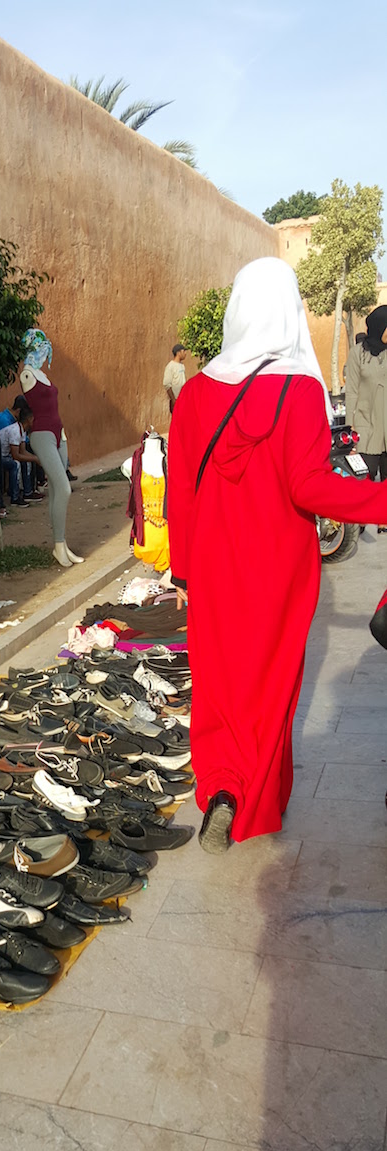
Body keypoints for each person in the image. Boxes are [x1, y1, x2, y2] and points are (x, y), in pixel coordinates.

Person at [167, 258, 387, 853]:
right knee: (271, 683)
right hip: (279, 567)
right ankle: (256, 800)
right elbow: (311, 487)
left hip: (212, 564)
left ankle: (219, 787)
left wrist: (183, 569)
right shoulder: (300, 391)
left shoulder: (193, 395)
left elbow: (181, 494)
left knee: (218, 681)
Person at [20, 328, 83, 568]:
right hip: (42, 435)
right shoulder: (27, 375)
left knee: (58, 491)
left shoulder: (41, 373)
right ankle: (58, 545)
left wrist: (63, 435)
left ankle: (62, 545)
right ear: (36, 347)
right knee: (64, 489)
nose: (47, 350)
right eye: (43, 346)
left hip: (59, 433)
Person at [345, 308, 387, 534]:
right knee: (366, 473)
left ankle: (383, 518)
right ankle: (363, 515)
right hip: (366, 420)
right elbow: (351, 391)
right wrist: (351, 424)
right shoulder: (357, 354)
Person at [0, 403, 40, 507]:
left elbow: (23, 451)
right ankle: (15, 497)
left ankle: (28, 492)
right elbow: (16, 455)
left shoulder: (22, 430)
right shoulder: (15, 431)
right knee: (15, 464)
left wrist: (35, 458)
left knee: (27, 461)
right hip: (0, 457)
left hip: (7, 455)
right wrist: (34, 459)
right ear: (29, 419)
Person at [163, 344, 188, 415]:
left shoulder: (182, 365)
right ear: (178, 353)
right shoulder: (170, 366)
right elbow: (167, 384)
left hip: (182, 399)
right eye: (184, 351)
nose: (185, 353)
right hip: (176, 400)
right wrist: (173, 399)